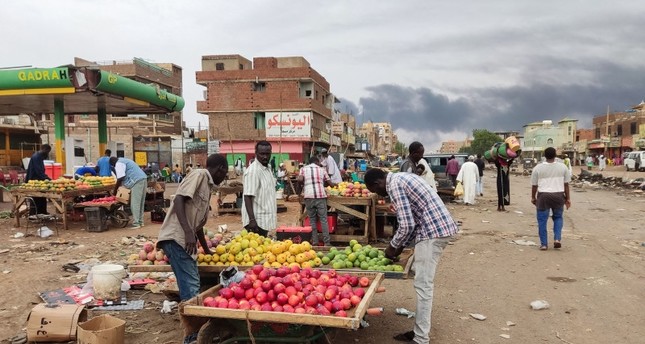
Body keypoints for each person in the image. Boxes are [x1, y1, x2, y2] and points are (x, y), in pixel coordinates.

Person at [364, 168, 458, 344]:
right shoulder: (402, 178)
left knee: (423, 285)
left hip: (433, 232)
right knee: (421, 279)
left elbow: (407, 225)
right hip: (436, 228)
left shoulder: (394, 185)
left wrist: (393, 246)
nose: (380, 194)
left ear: (377, 183)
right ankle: (419, 331)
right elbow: (413, 220)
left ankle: (421, 338)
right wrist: (401, 245)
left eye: (376, 191)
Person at [156, 154, 228, 344]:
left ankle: (194, 335)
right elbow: (179, 200)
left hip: (184, 240)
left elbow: (198, 226)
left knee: (191, 287)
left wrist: (206, 249)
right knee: (192, 290)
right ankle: (192, 338)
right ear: (220, 168)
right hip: (177, 239)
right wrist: (188, 232)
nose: (225, 177)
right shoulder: (200, 175)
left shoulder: (208, 186)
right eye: (225, 173)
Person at [531, 147, 571, 250]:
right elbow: (566, 185)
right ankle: (557, 239)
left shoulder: (537, 168)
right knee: (558, 217)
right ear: (555, 155)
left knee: (542, 221)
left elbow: (534, 186)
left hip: (543, 196)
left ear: (544, 155)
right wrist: (568, 199)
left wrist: (533, 197)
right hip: (558, 196)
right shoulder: (562, 167)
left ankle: (544, 244)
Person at [298, 155, 335, 246]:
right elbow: (330, 183)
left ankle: (315, 242)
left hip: (309, 197)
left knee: (312, 220)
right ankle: (327, 243)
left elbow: (299, 179)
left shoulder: (303, 169)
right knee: (323, 219)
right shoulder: (322, 170)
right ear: (317, 162)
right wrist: (336, 185)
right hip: (320, 196)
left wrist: (303, 186)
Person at [242, 141, 277, 238]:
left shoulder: (267, 168)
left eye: (267, 154)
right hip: (256, 223)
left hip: (264, 220)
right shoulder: (253, 171)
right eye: (262, 154)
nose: (265, 157)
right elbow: (247, 196)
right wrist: (252, 220)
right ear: (256, 153)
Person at [111, 157, 148, 229]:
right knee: (140, 202)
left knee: (135, 203)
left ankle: (136, 223)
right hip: (143, 178)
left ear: (113, 164)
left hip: (136, 180)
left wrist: (115, 191)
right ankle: (140, 221)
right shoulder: (125, 160)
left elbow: (120, 178)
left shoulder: (118, 163)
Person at [25, 144, 52, 215]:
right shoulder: (36, 157)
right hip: (34, 180)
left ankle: (42, 212)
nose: (48, 153)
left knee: (42, 197)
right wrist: (48, 179)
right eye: (48, 151)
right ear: (45, 150)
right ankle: (34, 214)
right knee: (36, 197)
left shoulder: (39, 156)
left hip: (39, 180)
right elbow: (39, 171)